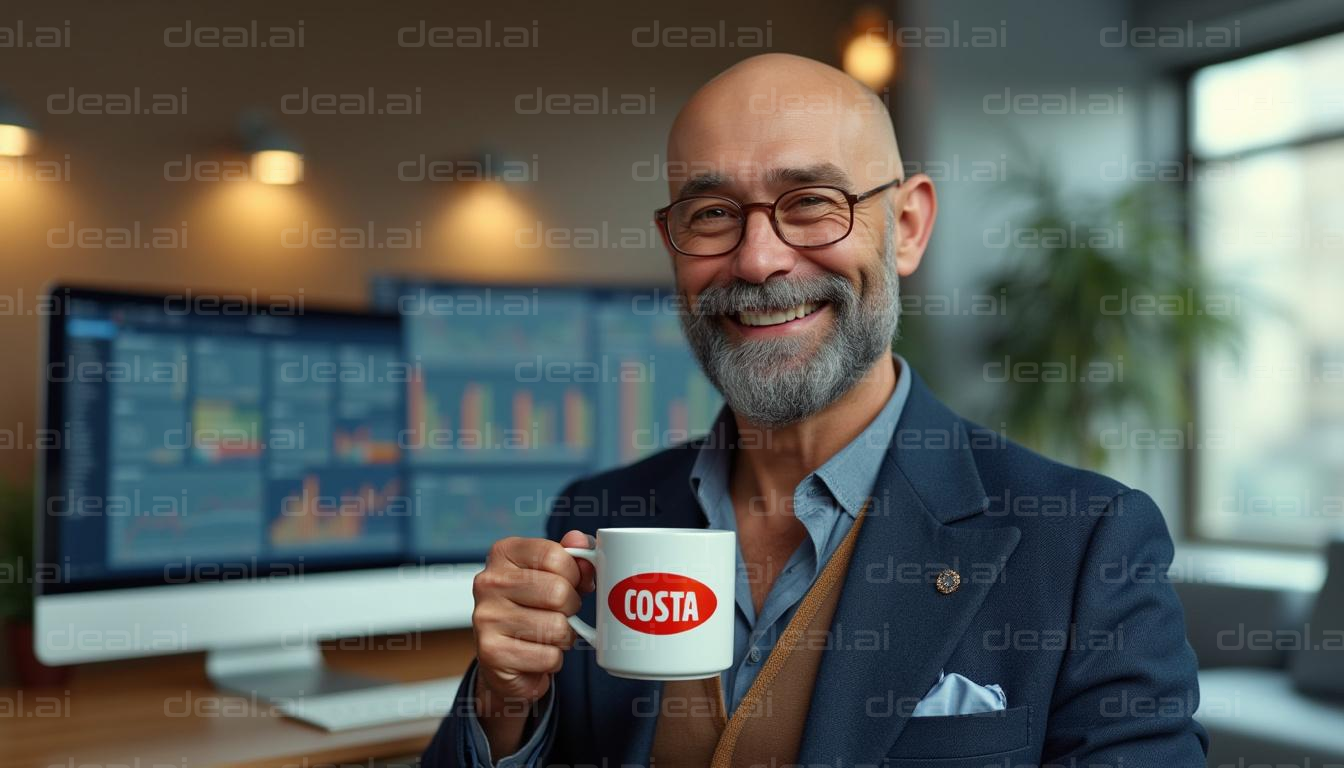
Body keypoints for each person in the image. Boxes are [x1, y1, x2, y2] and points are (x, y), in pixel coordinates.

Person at [422, 52, 1208, 767]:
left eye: (810, 202)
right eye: (712, 214)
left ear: (906, 227)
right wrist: (504, 706)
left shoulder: (1083, 548)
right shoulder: (595, 515)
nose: (758, 259)